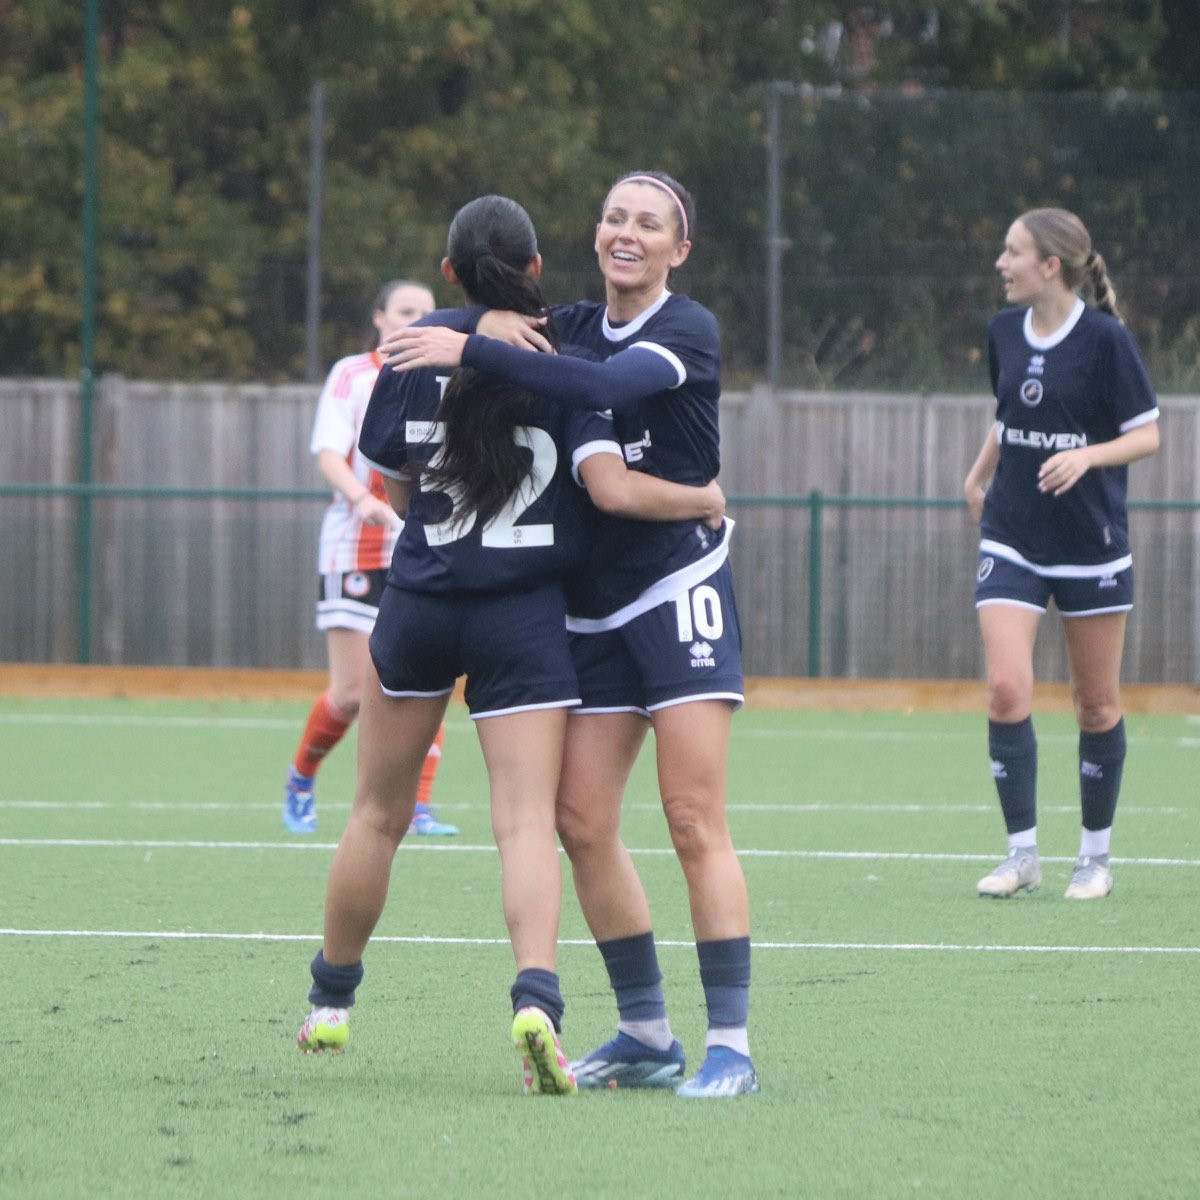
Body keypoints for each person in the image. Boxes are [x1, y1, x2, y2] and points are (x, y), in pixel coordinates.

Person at [293, 194, 727, 1096]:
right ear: (538, 270)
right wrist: (703, 499)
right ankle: (538, 1003)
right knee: (527, 822)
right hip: (523, 614)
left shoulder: (419, 355)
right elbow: (598, 469)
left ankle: (331, 1002)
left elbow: (388, 455)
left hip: (419, 600)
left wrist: (459, 328)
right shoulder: (566, 355)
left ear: (450, 276)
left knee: (377, 812)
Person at [963, 207, 1160, 901]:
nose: (1001, 263)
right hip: (1013, 531)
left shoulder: (1106, 341)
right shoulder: (1001, 331)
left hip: (1090, 543)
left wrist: (1089, 457)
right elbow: (1010, 410)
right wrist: (978, 472)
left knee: (1095, 705)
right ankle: (1022, 856)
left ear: (1050, 265)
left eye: (1012, 252)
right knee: (1008, 687)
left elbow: (1147, 434)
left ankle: (1094, 859)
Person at [281, 279, 459, 838]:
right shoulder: (353, 375)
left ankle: (420, 806)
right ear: (380, 318)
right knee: (356, 693)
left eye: (429, 312)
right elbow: (329, 454)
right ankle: (301, 778)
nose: (418, 320)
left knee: (427, 680)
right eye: (407, 311)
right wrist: (363, 500)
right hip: (356, 548)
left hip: (423, 550)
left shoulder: (448, 376)